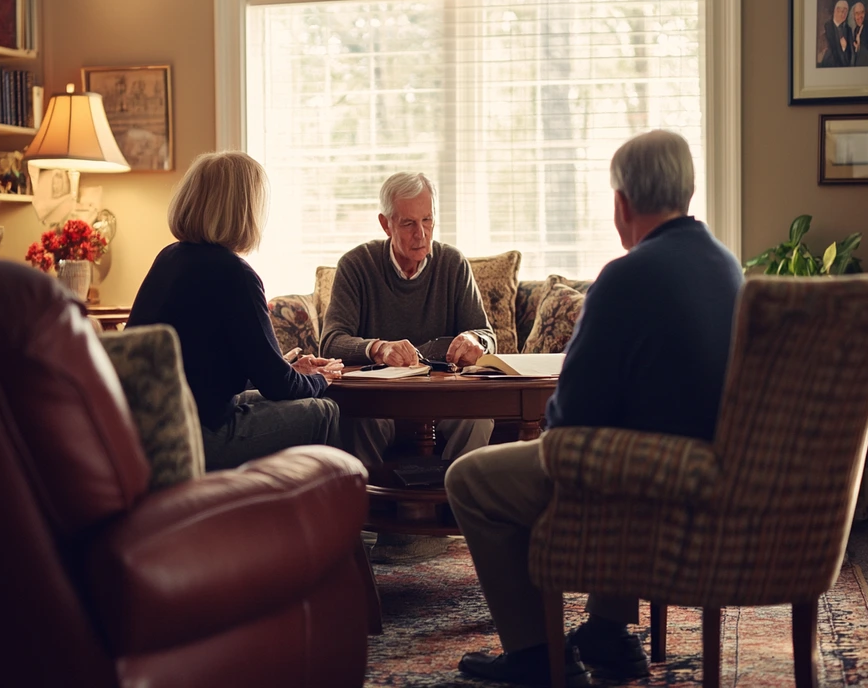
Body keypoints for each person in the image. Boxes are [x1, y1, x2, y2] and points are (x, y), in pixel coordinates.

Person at [445, 130, 745, 687]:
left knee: (469, 480)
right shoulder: (727, 267)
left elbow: (569, 418)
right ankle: (608, 632)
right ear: (688, 191)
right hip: (710, 475)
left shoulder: (627, 276)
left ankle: (534, 654)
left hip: (647, 482)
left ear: (621, 203)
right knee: (619, 441)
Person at [128, 151, 344, 470]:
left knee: (289, 396)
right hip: (197, 437)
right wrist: (321, 379)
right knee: (323, 410)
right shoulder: (234, 274)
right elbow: (278, 385)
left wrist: (295, 371)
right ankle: (321, 517)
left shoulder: (169, 259)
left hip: (149, 431)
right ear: (243, 210)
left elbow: (216, 368)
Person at [320, 171, 497, 467]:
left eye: (427, 220)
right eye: (409, 223)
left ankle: (457, 506)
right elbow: (331, 341)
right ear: (385, 224)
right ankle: (368, 508)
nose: (422, 233)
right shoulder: (356, 265)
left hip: (444, 397)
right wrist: (380, 348)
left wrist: (475, 340)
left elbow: (487, 335)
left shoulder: (452, 263)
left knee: (478, 419)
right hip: (381, 399)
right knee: (359, 420)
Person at [821, 0, 852, 68]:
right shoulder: (827, 27)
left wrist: (845, 48)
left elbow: (850, 53)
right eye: (841, 11)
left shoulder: (848, 29)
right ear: (835, 11)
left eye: (846, 11)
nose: (843, 14)